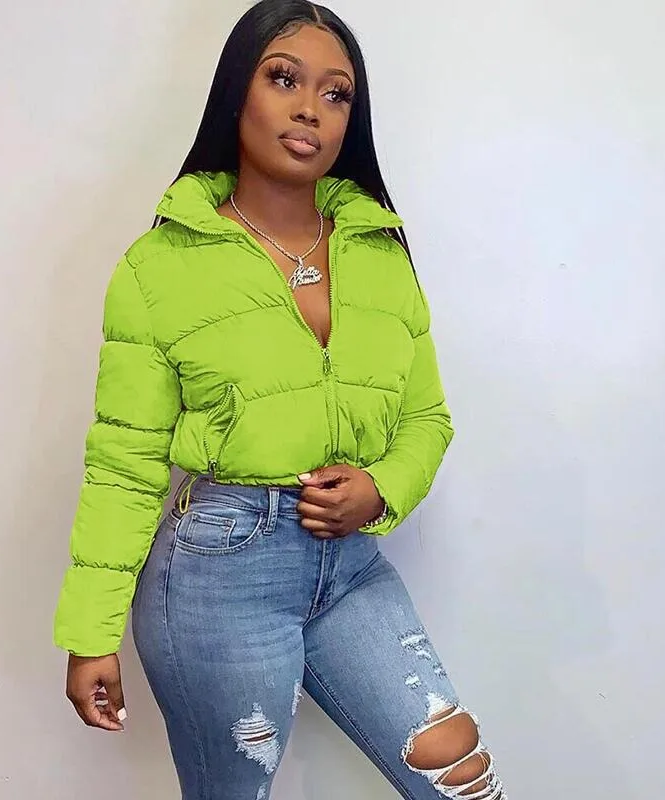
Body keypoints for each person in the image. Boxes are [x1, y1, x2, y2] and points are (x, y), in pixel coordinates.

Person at [53, 2, 505, 798]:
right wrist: (91, 631)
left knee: (460, 777)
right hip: (218, 577)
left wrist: (381, 488)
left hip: (353, 570)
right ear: (238, 92)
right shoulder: (160, 266)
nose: (310, 109)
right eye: (284, 79)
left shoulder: (380, 253)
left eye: (336, 94)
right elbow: (125, 461)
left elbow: (426, 418)